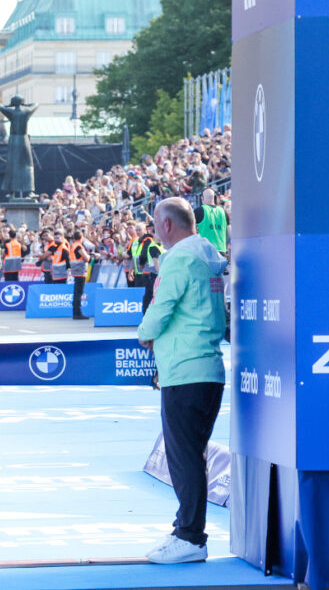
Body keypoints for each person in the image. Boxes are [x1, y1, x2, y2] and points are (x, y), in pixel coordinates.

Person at [137, 198, 226, 564]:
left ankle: (191, 537)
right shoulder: (207, 254)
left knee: (185, 458)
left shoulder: (179, 258)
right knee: (190, 455)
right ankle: (185, 529)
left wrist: (144, 332)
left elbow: (163, 306)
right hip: (203, 367)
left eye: (156, 224)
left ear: (167, 225)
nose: (156, 232)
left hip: (185, 369)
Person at [132, 222, 163, 315]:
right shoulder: (153, 246)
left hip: (161, 275)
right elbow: (156, 262)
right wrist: (162, 275)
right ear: (154, 234)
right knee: (150, 296)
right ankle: (145, 315)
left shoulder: (163, 246)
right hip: (154, 275)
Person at [194, 189, 228, 256]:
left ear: (202, 198)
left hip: (205, 251)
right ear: (214, 197)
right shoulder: (223, 211)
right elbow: (229, 231)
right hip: (221, 251)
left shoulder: (199, 211)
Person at [65, 230, 90, 320]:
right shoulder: (79, 246)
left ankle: (76, 312)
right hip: (80, 271)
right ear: (81, 237)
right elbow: (86, 258)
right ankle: (77, 313)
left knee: (77, 292)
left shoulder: (73, 245)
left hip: (76, 271)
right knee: (78, 293)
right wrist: (90, 256)